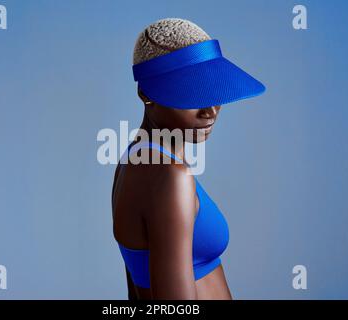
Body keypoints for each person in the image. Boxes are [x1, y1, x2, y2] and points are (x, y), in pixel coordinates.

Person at [111, 18, 265, 300]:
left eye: (213, 90)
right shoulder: (170, 176)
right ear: (146, 94)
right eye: (192, 92)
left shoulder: (132, 159)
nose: (211, 110)